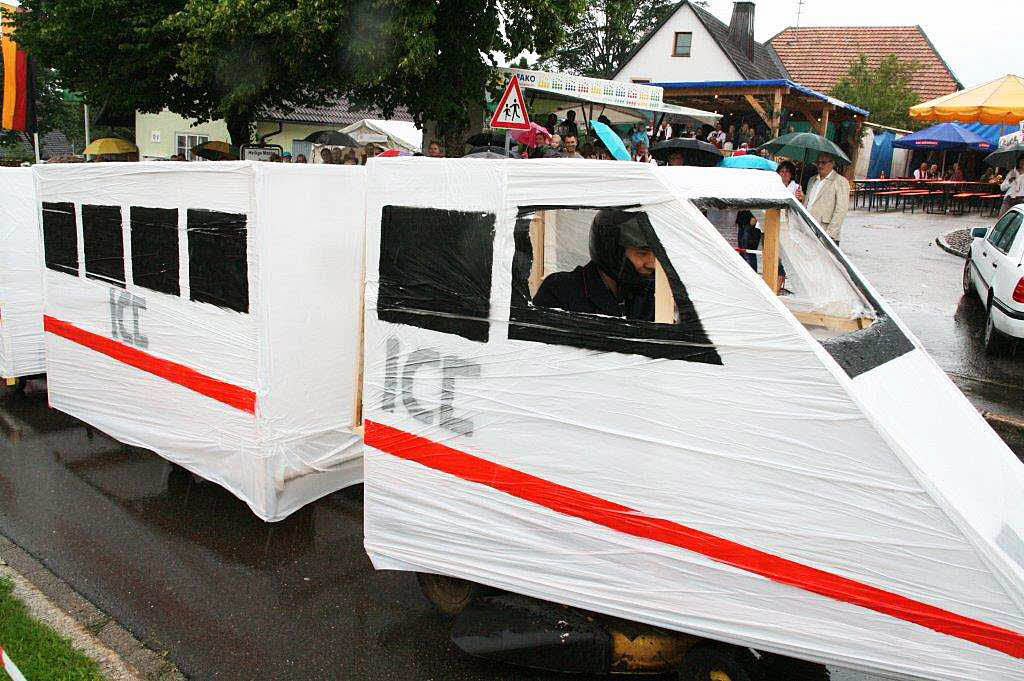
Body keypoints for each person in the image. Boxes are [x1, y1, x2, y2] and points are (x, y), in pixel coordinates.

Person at [533, 209, 655, 321]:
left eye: (657, 255)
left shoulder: (654, 294)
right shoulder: (560, 290)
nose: (652, 264)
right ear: (613, 252)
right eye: (642, 253)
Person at [805, 154, 850, 244]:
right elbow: (809, 203)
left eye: (823, 163)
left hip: (825, 232)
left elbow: (841, 210)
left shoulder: (840, 181)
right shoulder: (812, 180)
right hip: (808, 230)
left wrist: (830, 234)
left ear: (832, 163)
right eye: (818, 162)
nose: (820, 165)